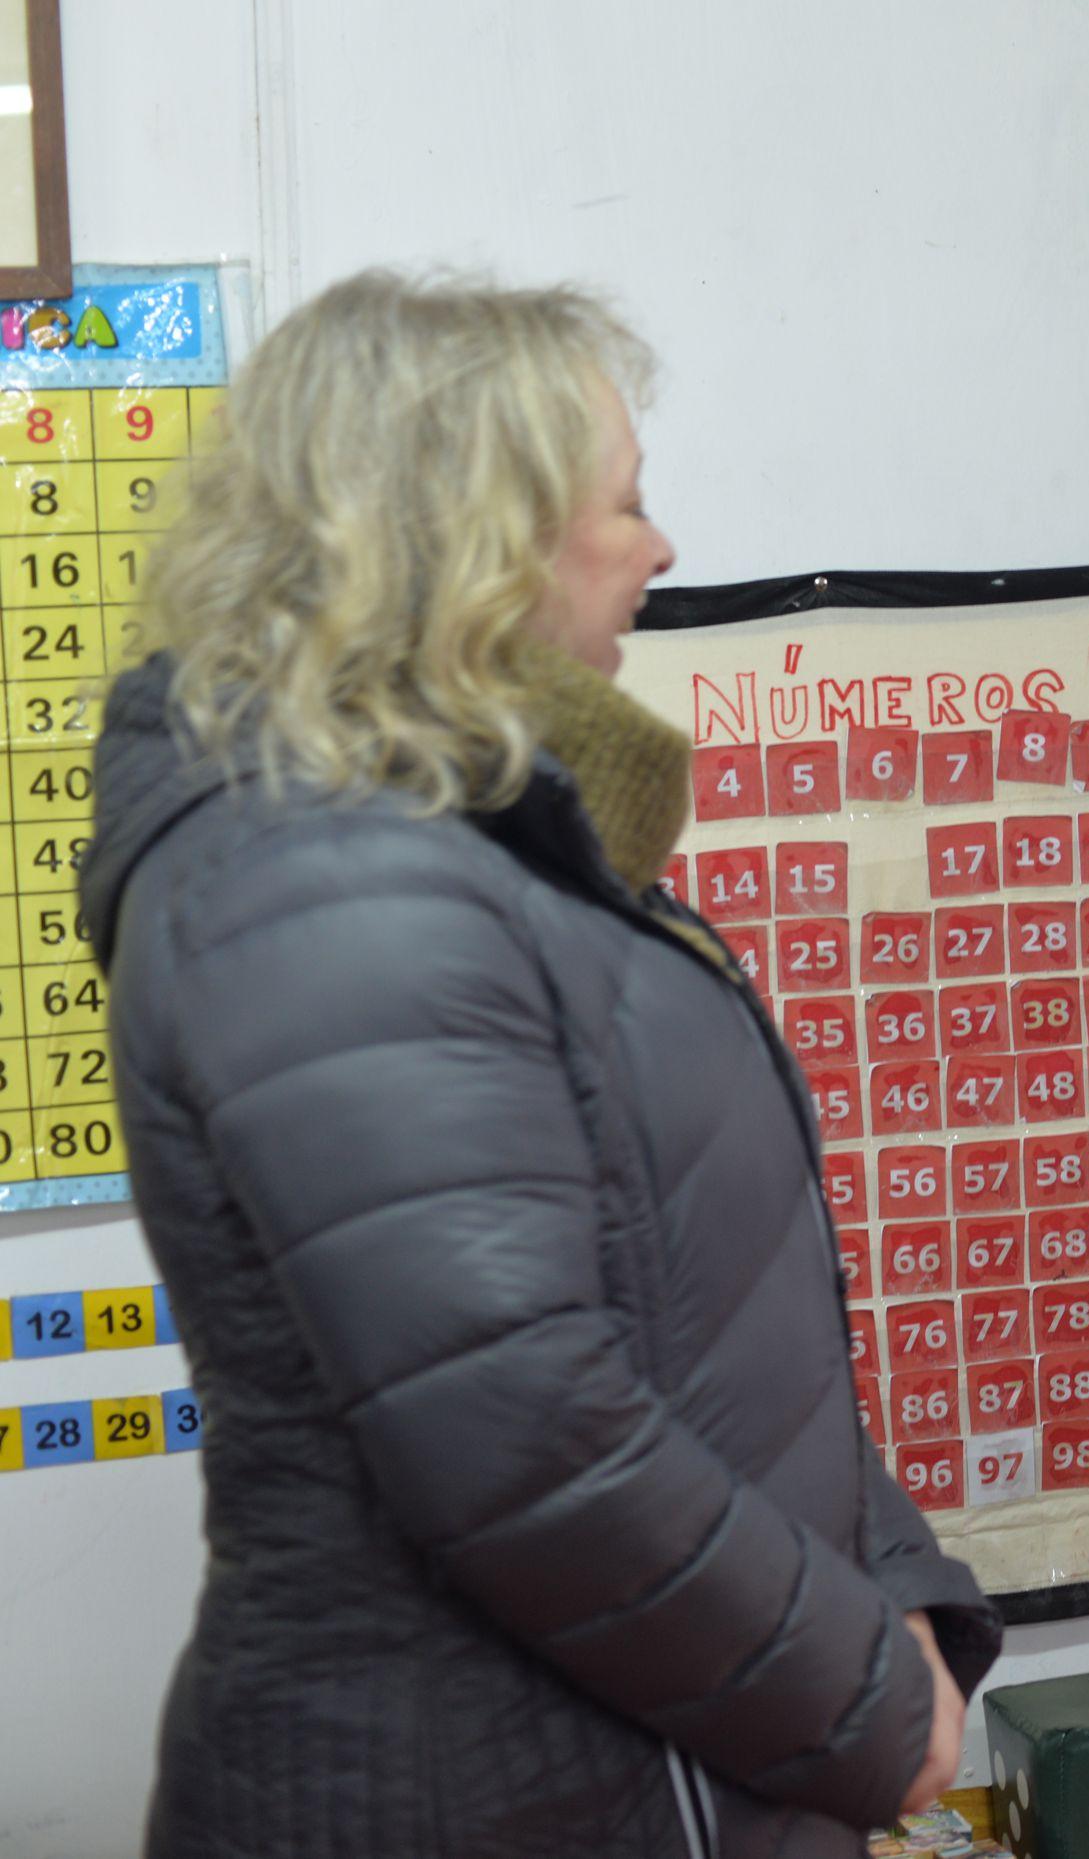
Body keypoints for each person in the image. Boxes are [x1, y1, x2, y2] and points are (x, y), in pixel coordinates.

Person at [86, 271, 1001, 1859]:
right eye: (625, 503)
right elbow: (527, 1435)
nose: (660, 548)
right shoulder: (322, 880)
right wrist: (861, 1689)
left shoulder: (476, 846)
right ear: (476, 534)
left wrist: (897, 1590)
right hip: (465, 1797)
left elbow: (702, 1335)